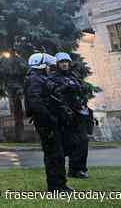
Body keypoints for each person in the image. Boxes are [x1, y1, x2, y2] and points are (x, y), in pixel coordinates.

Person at [24, 52, 72, 193]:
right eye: (48, 66)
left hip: (48, 122)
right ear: (42, 66)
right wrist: (50, 119)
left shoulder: (38, 78)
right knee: (54, 154)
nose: (50, 69)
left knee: (56, 153)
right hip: (46, 123)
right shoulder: (35, 80)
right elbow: (36, 103)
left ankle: (60, 184)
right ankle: (56, 186)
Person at [51, 52, 90, 179]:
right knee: (71, 143)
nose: (64, 64)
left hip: (79, 112)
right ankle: (71, 170)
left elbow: (82, 91)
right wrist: (64, 87)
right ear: (57, 64)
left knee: (83, 141)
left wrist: (84, 99)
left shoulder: (74, 76)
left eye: (66, 62)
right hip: (65, 115)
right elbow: (53, 93)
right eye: (62, 62)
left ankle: (79, 169)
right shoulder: (53, 78)